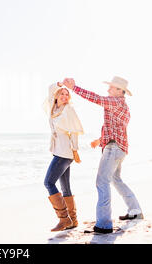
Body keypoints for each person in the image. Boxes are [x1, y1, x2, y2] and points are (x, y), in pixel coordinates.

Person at [62, 76, 143, 234]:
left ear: (120, 91)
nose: (108, 90)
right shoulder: (123, 106)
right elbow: (116, 128)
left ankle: (104, 224)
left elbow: (95, 98)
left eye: (112, 88)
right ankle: (135, 210)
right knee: (116, 179)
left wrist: (74, 88)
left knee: (102, 182)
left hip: (113, 149)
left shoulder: (115, 102)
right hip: (119, 148)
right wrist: (100, 140)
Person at [42, 82, 84, 231]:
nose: (65, 96)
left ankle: (64, 219)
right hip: (58, 150)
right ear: (56, 95)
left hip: (65, 152)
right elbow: (49, 90)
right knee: (65, 187)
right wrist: (59, 84)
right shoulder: (53, 108)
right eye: (62, 93)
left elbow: (74, 131)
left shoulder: (68, 109)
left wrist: (75, 150)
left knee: (48, 182)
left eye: (67, 94)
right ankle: (73, 220)